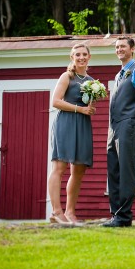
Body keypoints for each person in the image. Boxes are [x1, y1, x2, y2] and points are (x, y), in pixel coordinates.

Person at [104, 36, 135, 227]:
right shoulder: (119, 75)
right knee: (113, 171)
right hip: (114, 127)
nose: (119, 49)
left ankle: (124, 216)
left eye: (123, 46)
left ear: (132, 49)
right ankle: (115, 214)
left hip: (129, 124)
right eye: (117, 47)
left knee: (126, 171)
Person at [47, 43, 97, 225]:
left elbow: (88, 105)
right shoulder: (67, 76)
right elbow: (55, 101)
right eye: (78, 54)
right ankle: (56, 211)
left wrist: (89, 110)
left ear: (89, 57)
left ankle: (70, 212)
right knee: (59, 168)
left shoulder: (91, 81)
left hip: (83, 124)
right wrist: (79, 109)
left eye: (84, 54)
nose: (81, 57)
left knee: (79, 169)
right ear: (72, 57)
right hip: (66, 123)